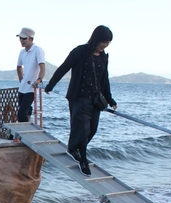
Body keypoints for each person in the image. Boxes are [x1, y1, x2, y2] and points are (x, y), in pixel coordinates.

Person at [45, 25, 117, 177]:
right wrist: (51, 85)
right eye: (104, 41)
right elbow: (64, 67)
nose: (105, 45)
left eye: (108, 42)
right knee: (83, 129)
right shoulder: (80, 51)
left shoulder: (104, 57)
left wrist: (110, 99)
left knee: (92, 129)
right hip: (79, 97)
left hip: (95, 100)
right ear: (96, 39)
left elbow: (105, 80)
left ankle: (73, 148)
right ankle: (83, 159)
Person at [16, 27, 45, 123]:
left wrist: (39, 79)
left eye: (24, 38)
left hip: (31, 88)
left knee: (21, 113)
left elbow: (42, 66)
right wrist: (21, 78)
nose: (21, 40)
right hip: (22, 87)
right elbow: (19, 66)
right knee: (25, 110)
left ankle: (23, 134)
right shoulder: (22, 52)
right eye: (20, 38)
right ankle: (27, 125)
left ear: (31, 38)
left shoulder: (38, 50)